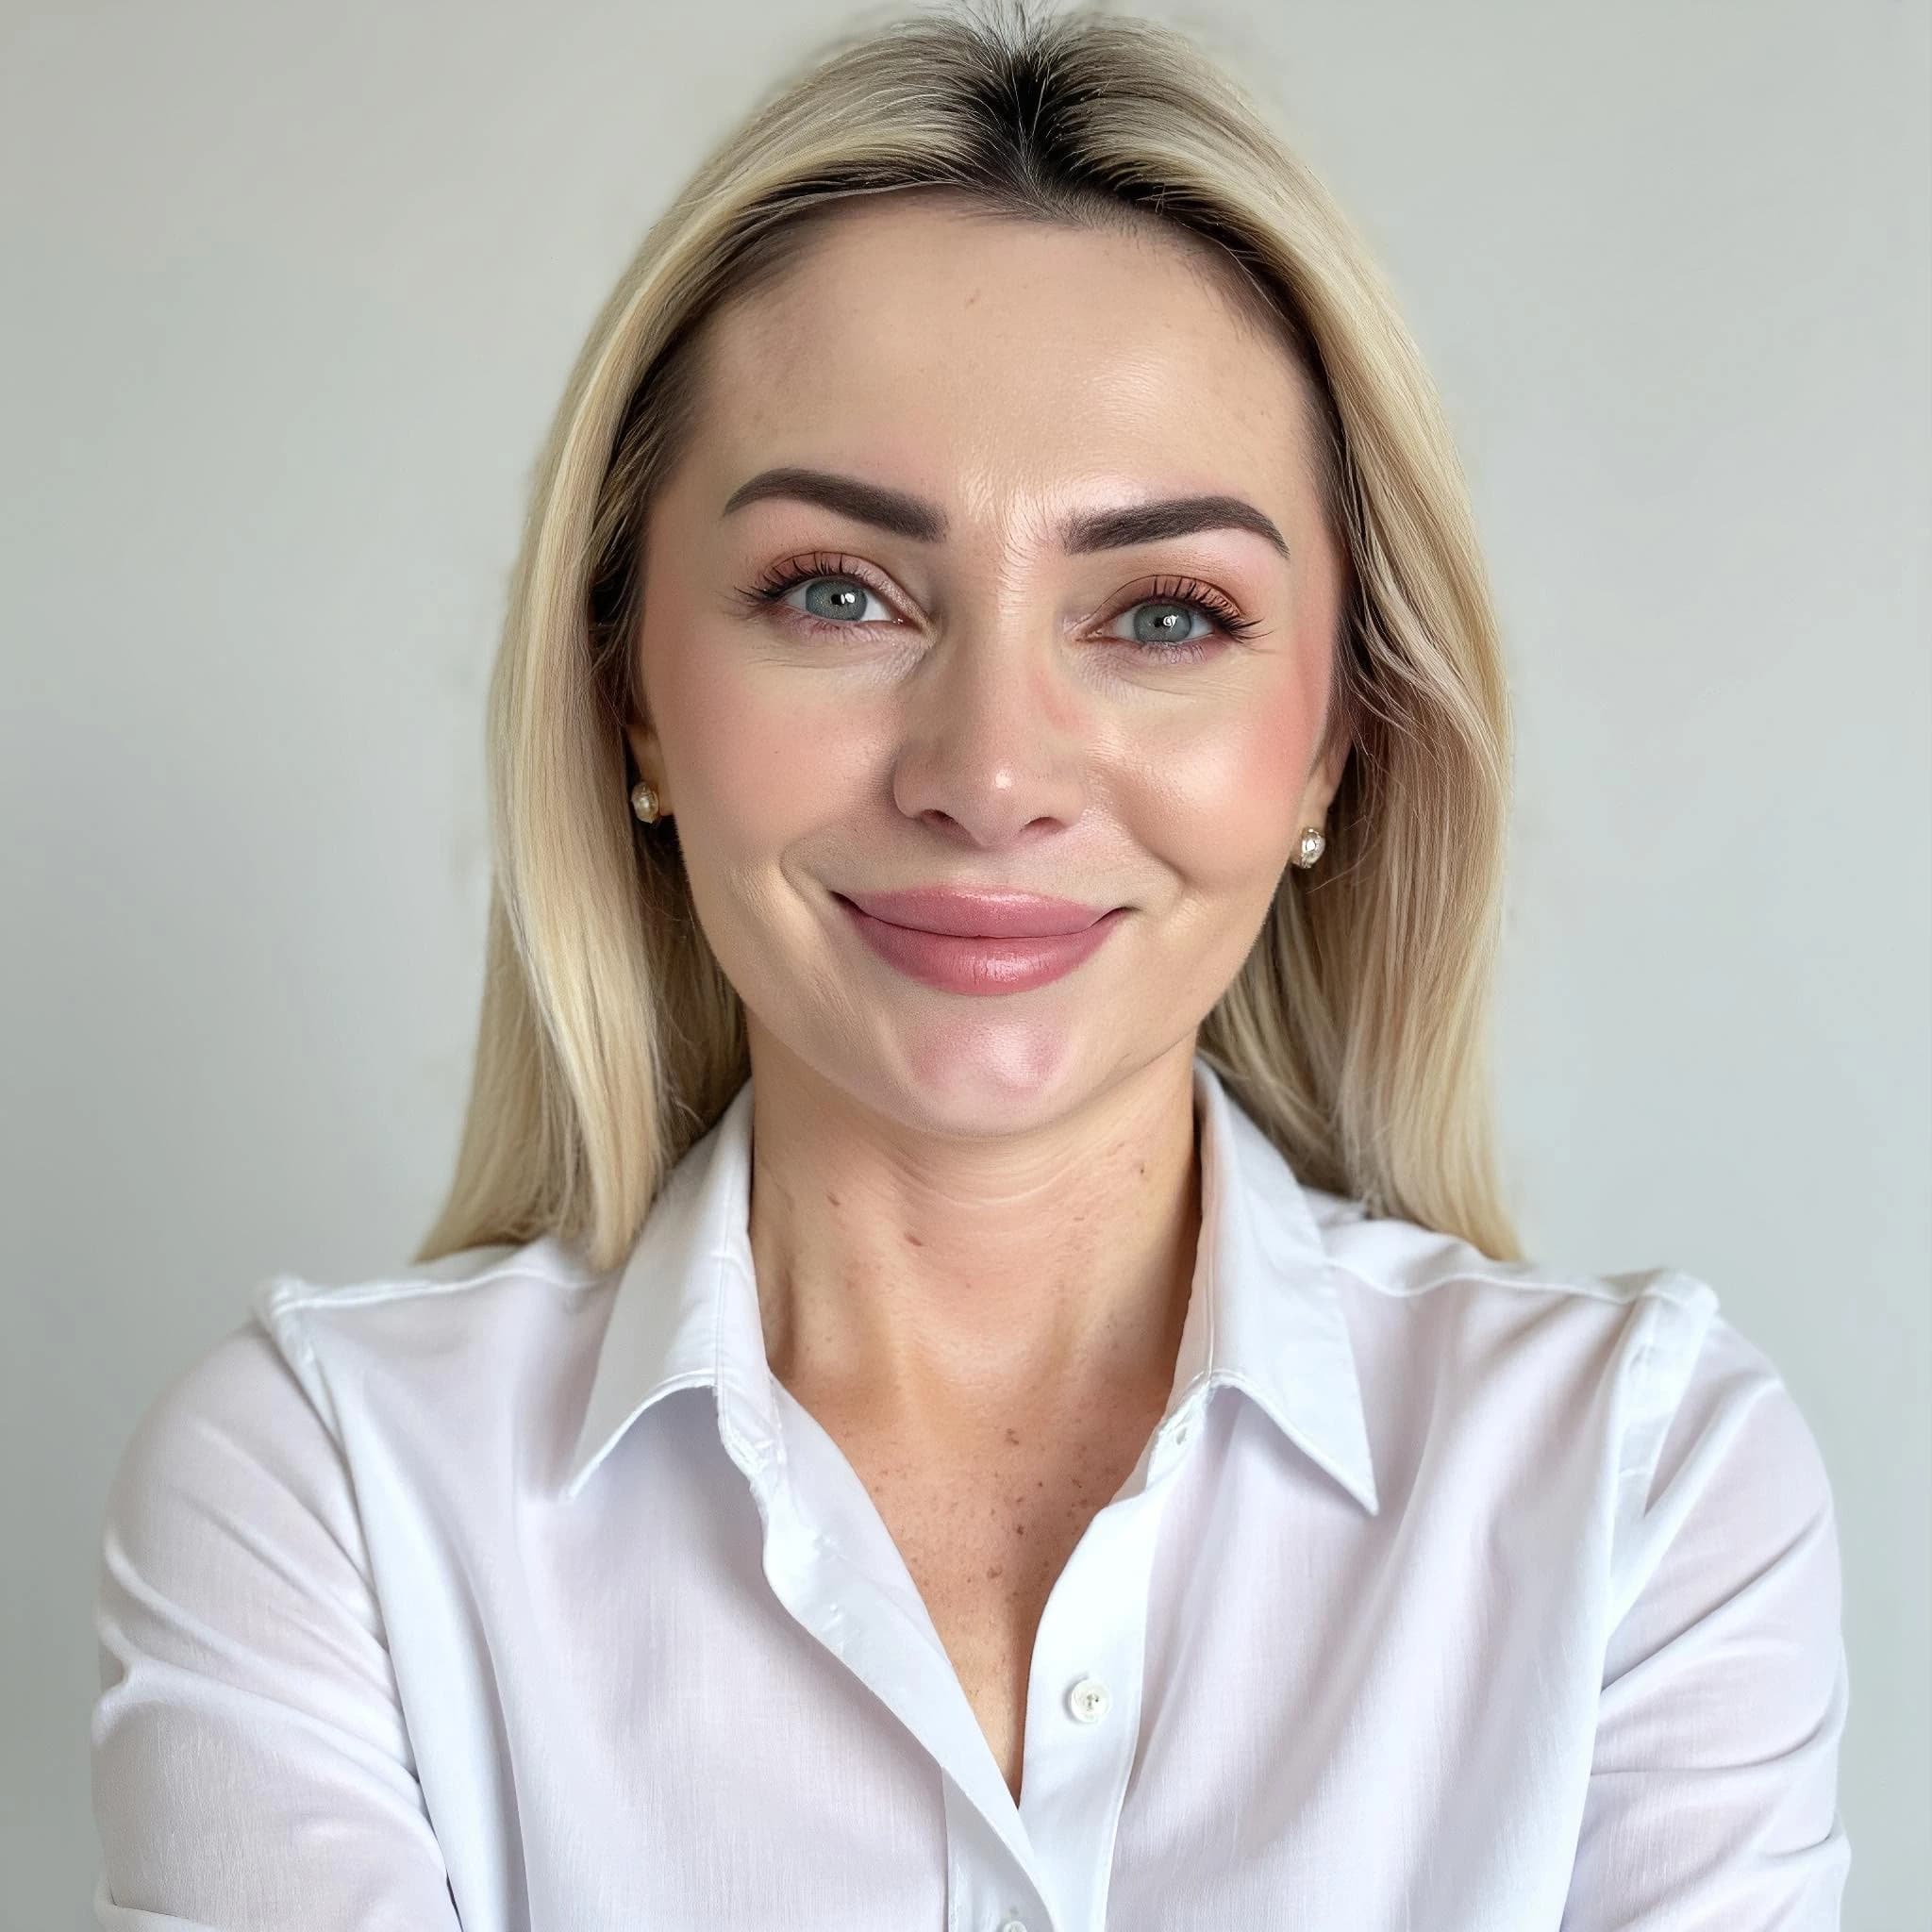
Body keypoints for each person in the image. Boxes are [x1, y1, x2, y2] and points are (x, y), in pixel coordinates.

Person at [88, 4, 1851, 1927]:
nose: (990, 773)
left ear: (1339, 737)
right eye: (836, 593)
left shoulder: (1639, 1481)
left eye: (1164, 612)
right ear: (630, 703)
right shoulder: (327, 1496)